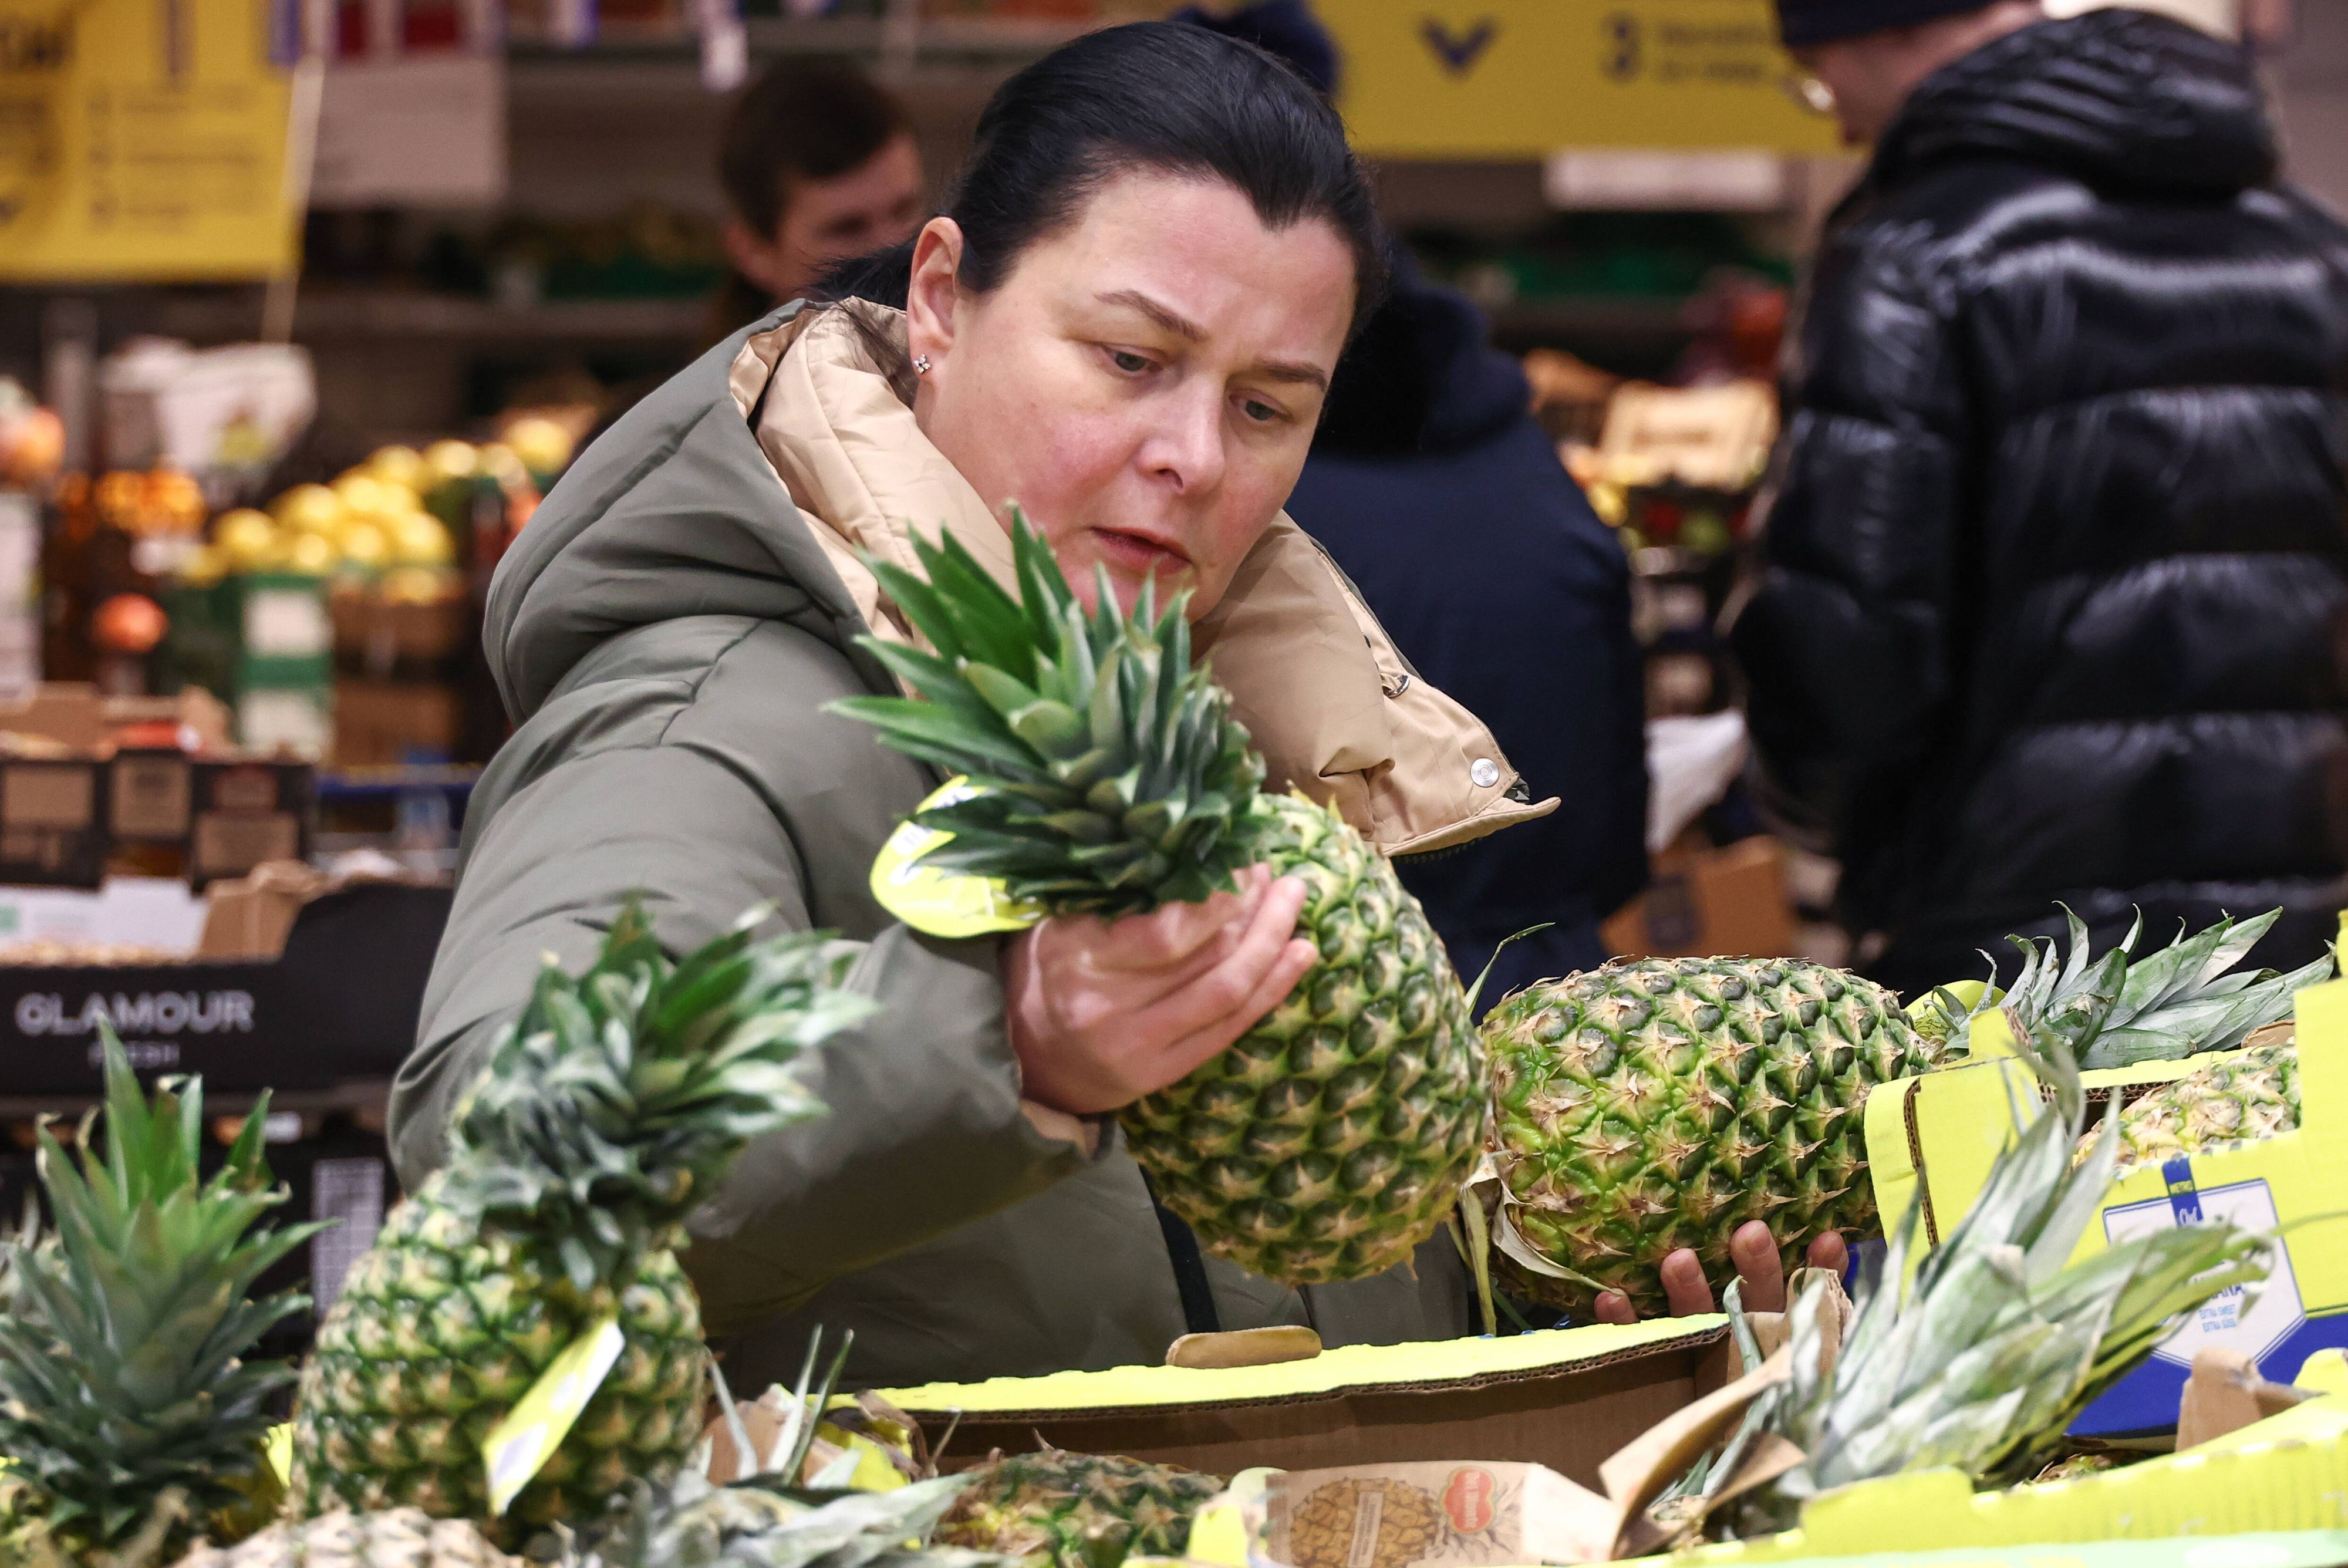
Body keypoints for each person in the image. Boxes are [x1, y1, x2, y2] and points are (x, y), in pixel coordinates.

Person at [394, 23, 1816, 1391]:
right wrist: (997, 1046)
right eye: (1130, 361)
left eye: (1267, 407)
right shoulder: (697, 716)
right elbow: (495, 1150)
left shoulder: (1234, 710)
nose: (1192, 457)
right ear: (942, 299)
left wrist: (1569, 1304)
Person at [1730, 0, 2348, 996]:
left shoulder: (1915, 256)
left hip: (2023, 957)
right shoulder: (2319, 249)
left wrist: (1827, 818)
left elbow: (1844, 643)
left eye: (1817, 76)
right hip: (2298, 945)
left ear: (1879, 30)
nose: (1839, 120)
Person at [1181, 2, 1649, 1006]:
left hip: (1322, 1001)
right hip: (1560, 990)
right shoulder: (1519, 450)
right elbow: (1616, 838)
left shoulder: (1218, 500)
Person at [713, 56, 926, 333]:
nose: (892, 251)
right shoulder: (719, 378)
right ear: (753, 252)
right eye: (848, 229)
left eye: (904, 211)